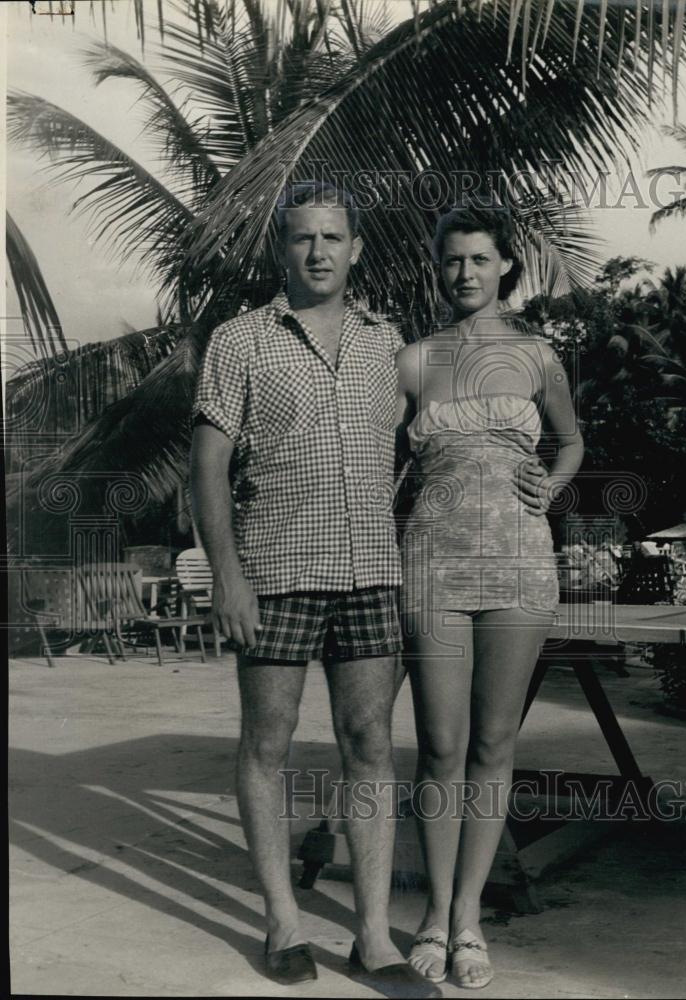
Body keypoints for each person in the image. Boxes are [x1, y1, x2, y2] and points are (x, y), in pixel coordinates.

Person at [190, 181, 440, 997]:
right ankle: (283, 921)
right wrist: (227, 575)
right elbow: (209, 471)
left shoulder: (388, 343)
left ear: (355, 248)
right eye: (303, 239)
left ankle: (371, 935)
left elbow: (430, 444)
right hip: (275, 572)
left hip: (370, 571)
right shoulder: (238, 342)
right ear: (282, 251)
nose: (319, 251)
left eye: (333, 237)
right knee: (267, 742)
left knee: (368, 743)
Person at [395, 203, 584, 989]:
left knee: (492, 747)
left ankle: (469, 920)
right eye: (451, 260)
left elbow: (570, 441)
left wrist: (552, 486)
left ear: (506, 266)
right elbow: (382, 471)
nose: (464, 273)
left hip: (518, 564)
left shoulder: (539, 356)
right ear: (437, 269)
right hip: (432, 564)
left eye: (479, 259)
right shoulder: (410, 361)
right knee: (439, 745)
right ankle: (434, 916)